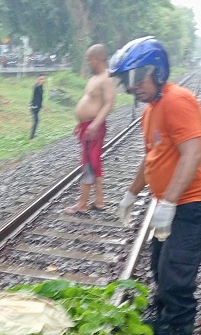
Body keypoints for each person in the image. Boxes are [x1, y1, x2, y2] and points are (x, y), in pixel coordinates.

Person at [109, 36, 201, 335]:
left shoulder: (178, 101)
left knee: (176, 277)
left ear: (156, 71)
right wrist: (132, 194)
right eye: (126, 82)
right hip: (171, 204)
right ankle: (162, 319)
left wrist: (169, 202)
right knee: (160, 265)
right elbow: (152, 157)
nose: (131, 88)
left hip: (195, 205)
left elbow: (193, 154)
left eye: (135, 79)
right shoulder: (151, 110)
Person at [63, 44, 115, 214]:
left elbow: (108, 104)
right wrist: (80, 124)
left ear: (97, 59)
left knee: (89, 164)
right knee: (94, 163)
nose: (88, 63)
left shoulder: (106, 78)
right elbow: (89, 101)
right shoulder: (95, 78)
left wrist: (94, 124)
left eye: (90, 60)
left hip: (94, 127)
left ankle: (82, 204)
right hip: (87, 126)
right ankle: (99, 200)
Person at [29, 74, 46, 139]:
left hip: (38, 106)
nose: (43, 80)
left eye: (43, 79)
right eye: (41, 79)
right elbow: (36, 88)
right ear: (37, 80)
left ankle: (33, 135)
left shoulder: (41, 87)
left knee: (36, 121)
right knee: (36, 120)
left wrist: (41, 105)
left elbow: (40, 97)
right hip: (34, 106)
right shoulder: (36, 87)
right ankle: (31, 136)